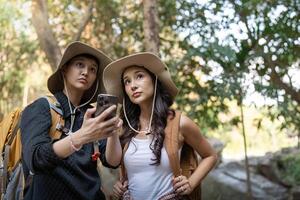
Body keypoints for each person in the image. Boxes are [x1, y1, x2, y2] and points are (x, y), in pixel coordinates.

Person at [102, 52, 218, 200]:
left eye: (139, 76)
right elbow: (113, 162)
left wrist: (191, 183)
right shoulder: (126, 126)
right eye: (127, 81)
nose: (133, 86)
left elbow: (211, 156)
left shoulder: (179, 122)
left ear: (154, 80)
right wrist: (120, 185)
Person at [20, 41, 122, 200]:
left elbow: (112, 162)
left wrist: (113, 131)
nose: (86, 72)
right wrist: (82, 136)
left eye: (93, 69)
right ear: (65, 69)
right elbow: (35, 158)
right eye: (79, 64)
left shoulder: (93, 115)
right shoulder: (41, 107)